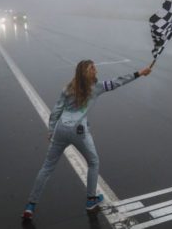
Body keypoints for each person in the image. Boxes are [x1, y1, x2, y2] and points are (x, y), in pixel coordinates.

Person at [21, 60, 151, 220]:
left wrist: (51, 130)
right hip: (79, 131)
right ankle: (91, 200)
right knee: (93, 162)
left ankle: (30, 205)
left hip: (60, 130)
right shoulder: (97, 88)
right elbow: (119, 81)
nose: (96, 69)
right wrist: (140, 73)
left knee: (47, 167)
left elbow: (56, 110)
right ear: (86, 73)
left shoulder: (68, 88)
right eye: (92, 68)